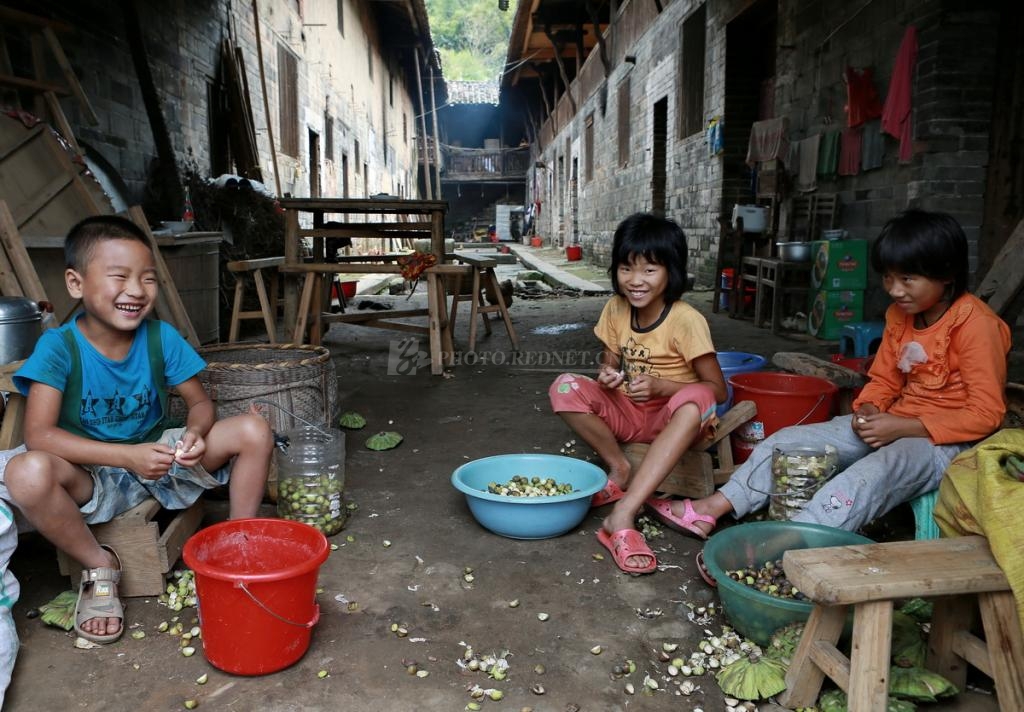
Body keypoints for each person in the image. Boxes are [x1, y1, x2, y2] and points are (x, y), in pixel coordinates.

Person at [2, 215, 273, 644]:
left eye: (148, 279)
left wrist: (195, 433)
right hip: (91, 473)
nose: (137, 290)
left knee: (254, 429)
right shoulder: (58, 348)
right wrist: (127, 457)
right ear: (76, 283)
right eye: (119, 276)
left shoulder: (160, 337)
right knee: (24, 471)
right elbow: (40, 436)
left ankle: (238, 543)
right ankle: (100, 565)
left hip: (163, 456)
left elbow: (200, 403)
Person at [679, 209, 1011, 545]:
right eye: (888, 278)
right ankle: (713, 507)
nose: (895, 290)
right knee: (787, 442)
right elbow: (884, 380)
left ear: (947, 274)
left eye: (908, 279)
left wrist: (904, 427)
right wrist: (868, 409)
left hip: (947, 443)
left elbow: (986, 415)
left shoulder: (977, 326)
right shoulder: (900, 315)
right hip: (893, 421)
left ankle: (783, 548)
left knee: (868, 476)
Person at [548, 213, 727, 574]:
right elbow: (610, 360)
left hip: (675, 422)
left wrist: (663, 387)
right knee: (564, 386)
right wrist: (608, 374)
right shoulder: (616, 308)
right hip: (631, 410)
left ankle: (624, 512)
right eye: (626, 268)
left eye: (649, 270)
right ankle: (620, 467)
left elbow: (718, 389)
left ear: (671, 272)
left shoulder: (686, 320)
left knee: (697, 399)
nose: (635, 280)